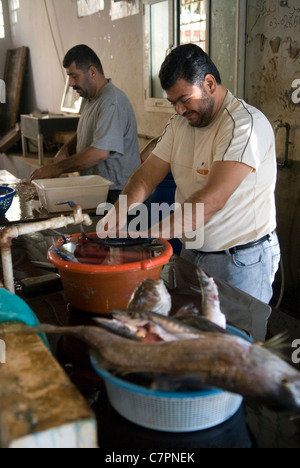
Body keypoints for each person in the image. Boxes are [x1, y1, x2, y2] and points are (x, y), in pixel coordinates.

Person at [99, 44, 280, 305]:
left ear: (209, 83)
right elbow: (146, 175)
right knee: (190, 333)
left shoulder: (243, 125)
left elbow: (212, 200)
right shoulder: (179, 125)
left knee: (234, 341)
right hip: (192, 251)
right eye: (173, 103)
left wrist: (147, 236)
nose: (179, 110)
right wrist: (119, 212)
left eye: (185, 100)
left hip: (240, 260)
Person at [30, 45, 141, 204]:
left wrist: (56, 169)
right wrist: (67, 148)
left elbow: (99, 153)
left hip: (118, 193)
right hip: (99, 189)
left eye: (74, 76)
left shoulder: (111, 102)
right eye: (69, 76)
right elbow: (88, 131)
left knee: (112, 230)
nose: (71, 83)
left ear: (92, 72)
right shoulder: (90, 99)